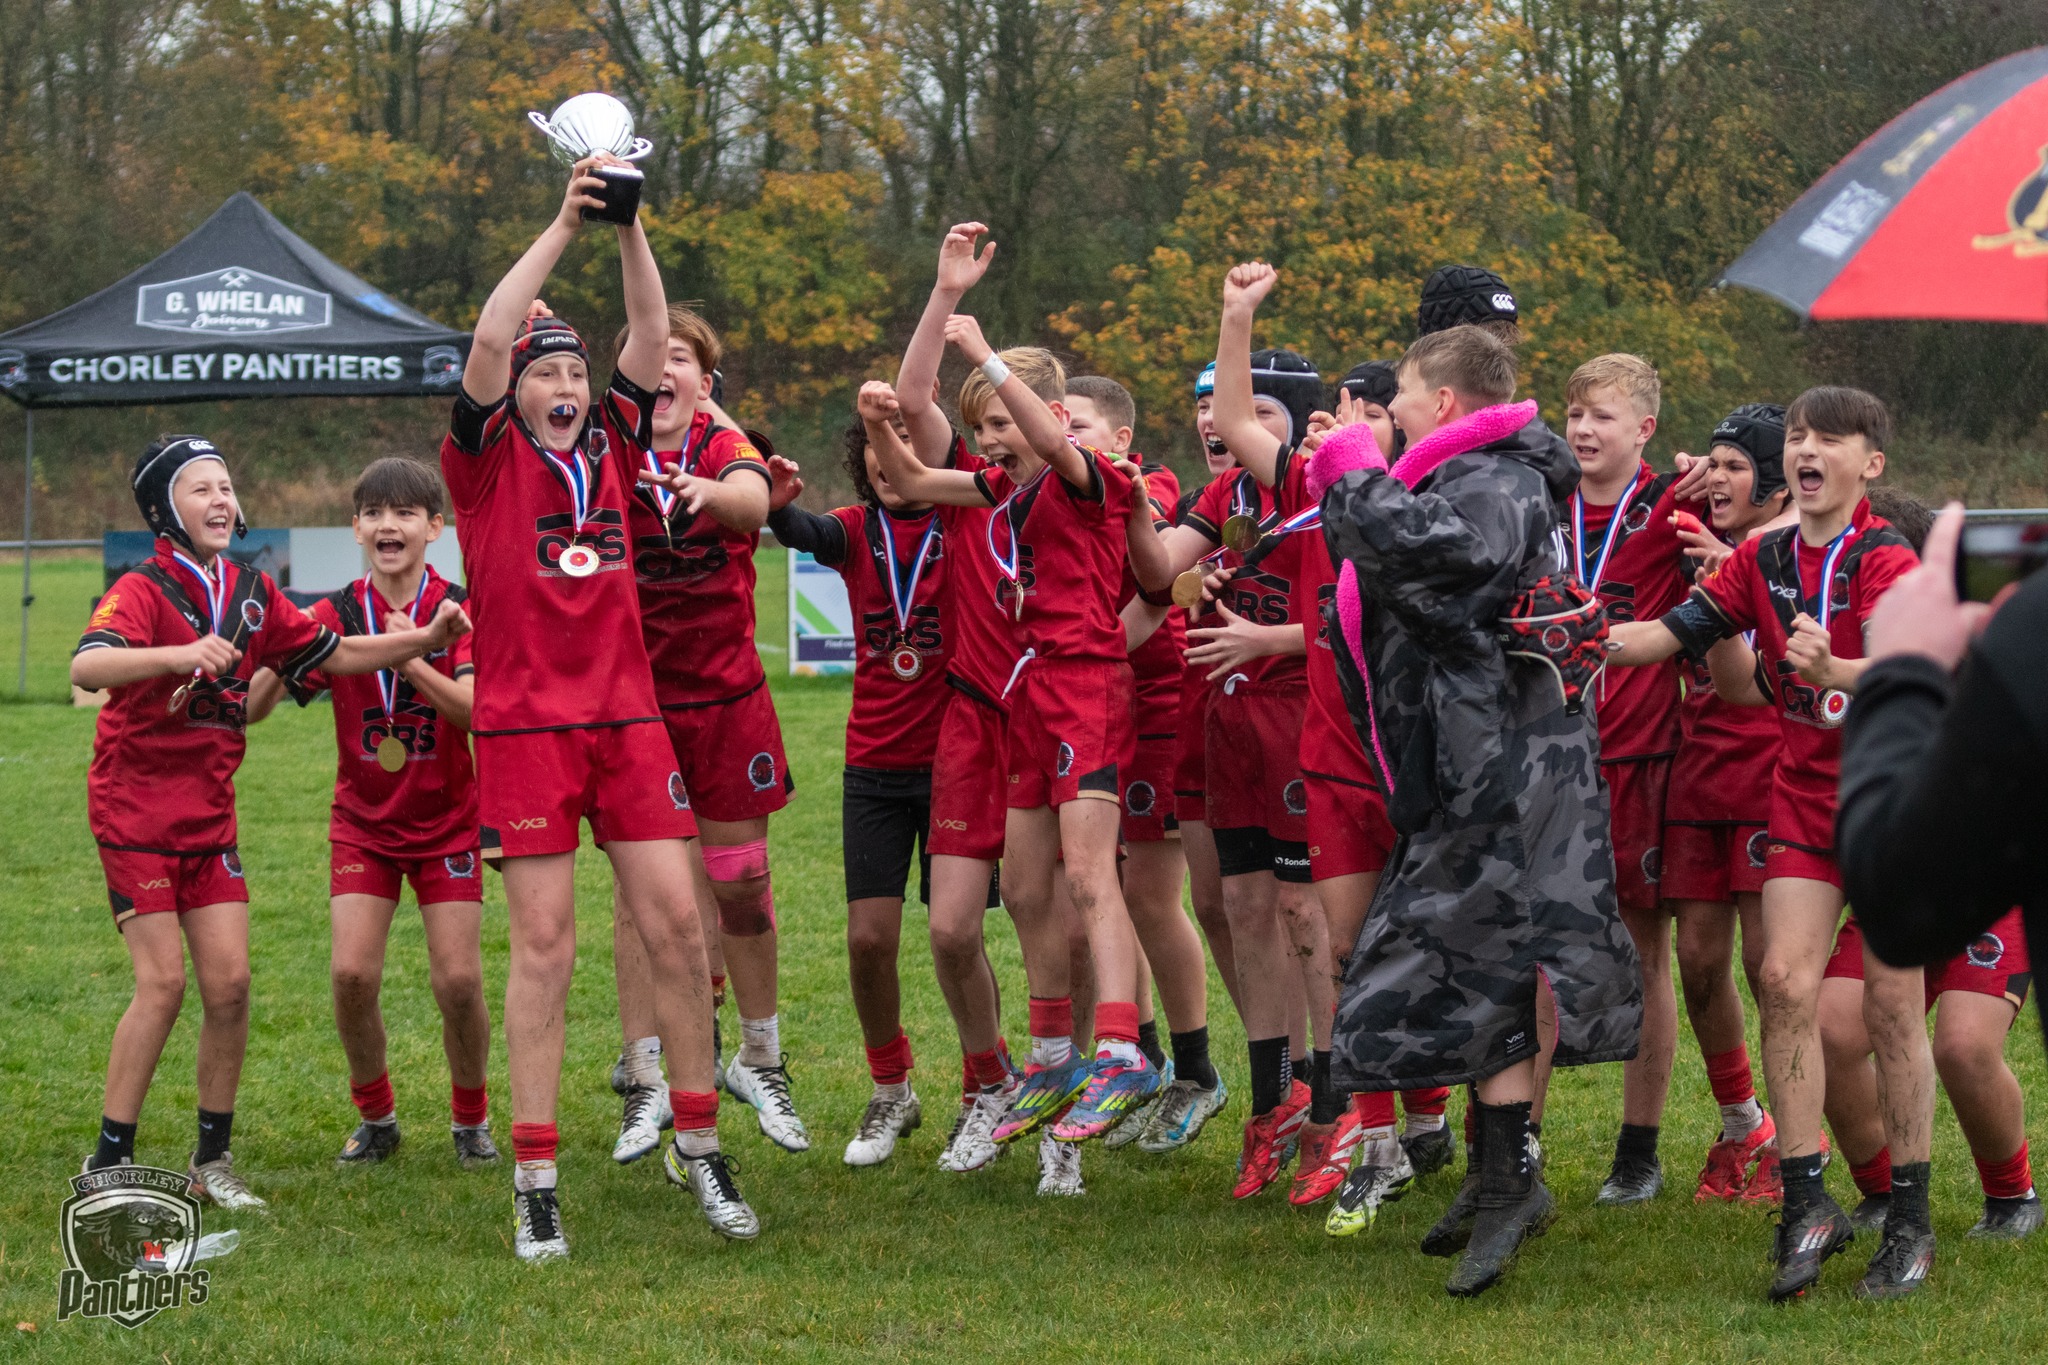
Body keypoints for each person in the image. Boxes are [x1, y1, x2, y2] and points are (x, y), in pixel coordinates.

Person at [442, 155, 752, 1260]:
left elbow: (649, 327)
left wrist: (627, 226)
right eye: (545, 373)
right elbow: (485, 341)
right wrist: (562, 224)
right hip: (526, 729)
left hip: (627, 724)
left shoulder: (617, 444)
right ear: (516, 393)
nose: (564, 384)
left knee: (676, 928)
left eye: (575, 369)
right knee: (546, 949)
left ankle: (704, 1152)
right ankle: (535, 1178)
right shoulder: (481, 467)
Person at [1311, 324, 1641, 1297]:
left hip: (1501, 762)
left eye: (1400, 397)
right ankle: (1502, 1179)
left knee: (1477, 967)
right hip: (1471, 757)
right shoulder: (1476, 475)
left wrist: (1349, 466)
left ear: (1444, 403)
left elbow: (1441, 566)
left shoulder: (1491, 481)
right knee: (1468, 967)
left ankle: (1508, 1185)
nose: (1388, 413)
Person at [75, 434, 470, 1209]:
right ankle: (107, 1161)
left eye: (226, 485)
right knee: (163, 983)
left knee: (231, 985)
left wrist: (421, 642)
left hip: (208, 820)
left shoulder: (253, 592)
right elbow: (88, 665)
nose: (221, 499)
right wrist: (176, 654)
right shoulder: (144, 588)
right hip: (134, 813)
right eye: (201, 488)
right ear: (164, 510)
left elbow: (335, 653)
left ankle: (210, 1162)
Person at [1607, 386, 1934, 1301]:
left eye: (1829, 437)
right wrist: (1582, 636)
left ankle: (1908, 1217)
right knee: (1782, 981)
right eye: (1796, 435)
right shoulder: (1763, 556)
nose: (1806, 448)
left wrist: (1839, 669)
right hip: (1800, 796)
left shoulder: (1884, 556)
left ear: (1868, 463)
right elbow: (1671, 632)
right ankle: (1806, 1199)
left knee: (1889, 1003)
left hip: (1890, 798)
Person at [862, 319, 1167, 1153]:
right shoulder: (1005, 490)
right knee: (1026, 886)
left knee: (1090, 876)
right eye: (985, 422)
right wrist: (877, 419)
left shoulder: (1088, 474)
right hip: (1029, 690)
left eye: (1004, 418)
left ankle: (1121, 1048)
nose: (995, 439)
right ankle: (1053, 1054)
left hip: (1084, 683)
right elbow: (919, 476)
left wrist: (983, 351)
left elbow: (1047, 438)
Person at [1123, 283, 1332, 1200]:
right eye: (1203, 405)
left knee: (1303, 916)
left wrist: (1268, 638)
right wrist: (1131, 507)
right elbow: (1158, 568)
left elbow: (1356, 620)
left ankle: (1334, 1107)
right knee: (1237, 908)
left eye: (1241, 405)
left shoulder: (1318, 486)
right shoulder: (1222, 494)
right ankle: (1271, 1100)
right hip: (1223, 718)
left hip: (1298, 719)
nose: (1218, 419)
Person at [759, 409, 999, 1167]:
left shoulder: (966, 518)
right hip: (872, 766)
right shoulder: (856, 529)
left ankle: (981, 1086)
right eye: (876, 455)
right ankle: (891, 1085)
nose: (891, 465)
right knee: (867, 940)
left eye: (904, 451)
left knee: (957, 938)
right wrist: (771, 501)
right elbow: (802, 531)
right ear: (866, 467)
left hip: (956, 763)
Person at [245, 458, 495, 1170]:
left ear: (434, 528)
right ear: (356, 528)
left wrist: (415, 654)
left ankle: (470, 1118)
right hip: (363, 822)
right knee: (351, 974)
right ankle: (377, 1116)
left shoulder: (458, 608)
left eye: (406, 513)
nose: (390, 525)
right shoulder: (329, 615)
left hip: (448, 818)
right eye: (375, 513)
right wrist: (265, 651)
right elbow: (256, 706)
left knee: (459, 981)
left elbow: (476, 714)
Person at [622, 307, 808, 1156]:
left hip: (727, 700)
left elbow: (752, 500)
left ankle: (759, 1057)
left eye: (682, 358)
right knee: (645, 894)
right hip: (635, 705)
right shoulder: (606, 451)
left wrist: (711, 489)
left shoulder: (722, 451)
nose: (663, 368)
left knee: (739, 879)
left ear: (705, 382)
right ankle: (648, 1074)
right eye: (650, 354)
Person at [1840, 505, 2048, 1222]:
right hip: (1935, 856)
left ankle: (2011, 1191)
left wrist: (1903, 666)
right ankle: (1880, 1188)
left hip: (1979, 871)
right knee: (1833, 1032)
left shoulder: (2001, 637)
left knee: (1963, 1045)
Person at [1062, 375, 1223, 1152]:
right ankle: (1150, 1058)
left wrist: (1089, 650)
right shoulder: (1058, 493)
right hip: (1096, 704)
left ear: (1122, 439)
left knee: (1152, 895)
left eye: (1081, 424)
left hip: (1156, 705)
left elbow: (1160, 591)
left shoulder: (1146, 485)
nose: (1068, 435)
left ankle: (1195, 1071)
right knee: (1108, 891)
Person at [1560, 353, 1702, 1206]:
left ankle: (1639, 1149)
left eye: (1602, 416)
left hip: (1639, 753)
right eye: (1574, 413)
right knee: (1534, 949)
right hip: (1546, 751)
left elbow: (1764, 513)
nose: (1582, 429)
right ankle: (1514, 1140)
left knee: (1645, 952)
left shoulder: (1672, 502)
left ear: (1644, 429)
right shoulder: (1541, 494)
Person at [1656, 406, 1792, 1202]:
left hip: (1769, 775)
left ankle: (1793, 1138)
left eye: (1736, 465)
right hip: (1697, 772)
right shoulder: (1688, 544)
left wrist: (1737, 566)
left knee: (1766, 965)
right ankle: (1744, 1123)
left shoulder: (1786, 555)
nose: (1719, 480)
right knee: (1700, 961)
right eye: (1713, 464)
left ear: (1774, 487)